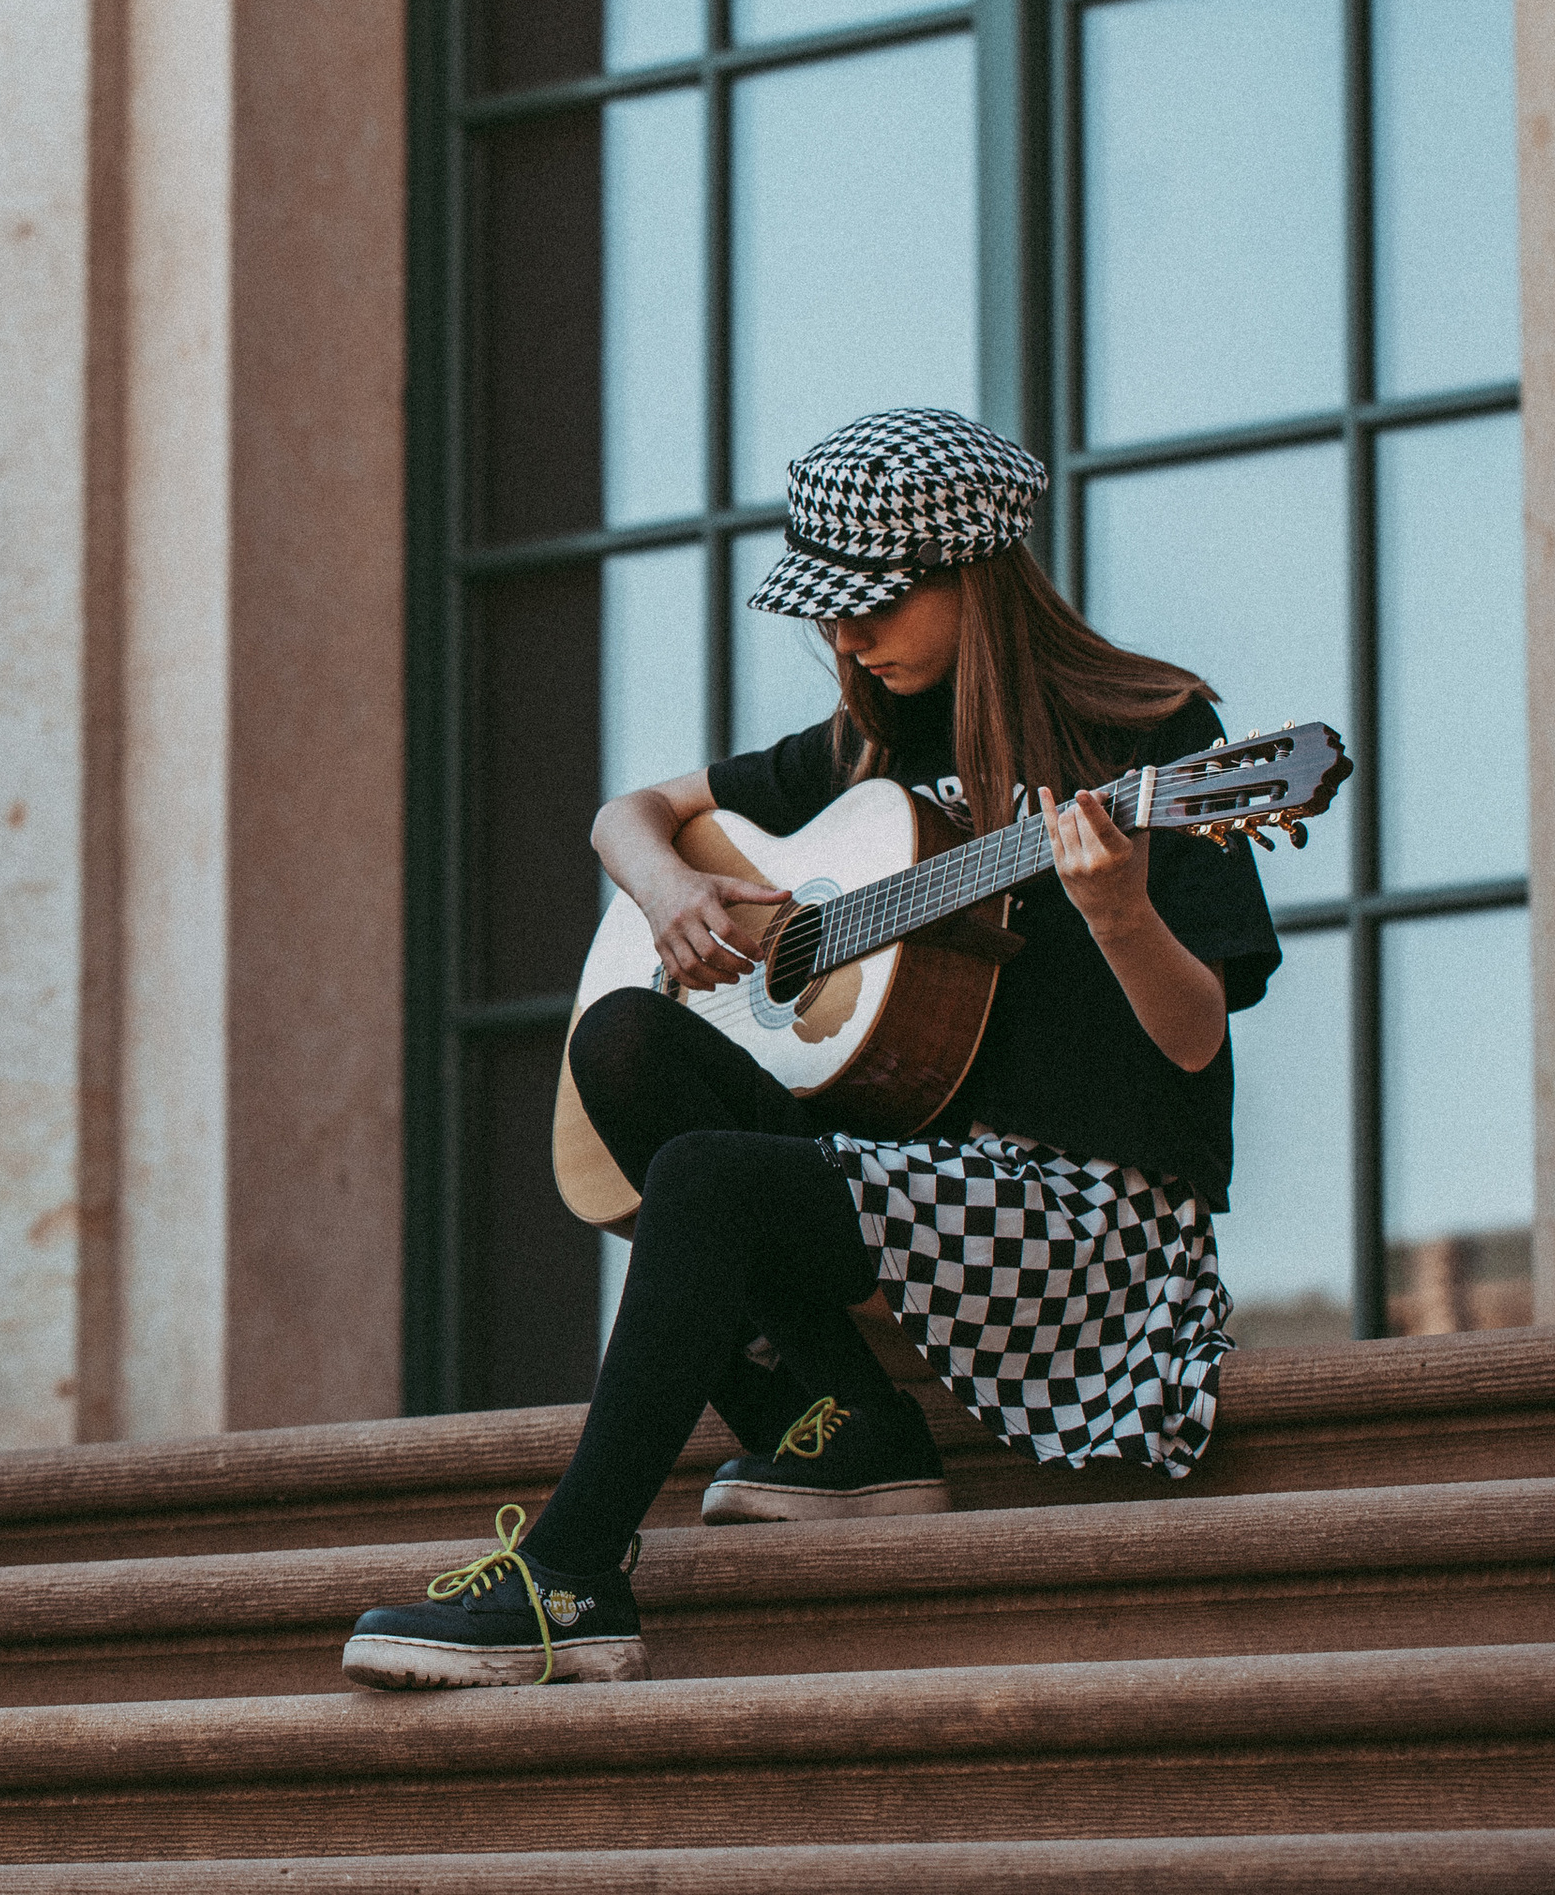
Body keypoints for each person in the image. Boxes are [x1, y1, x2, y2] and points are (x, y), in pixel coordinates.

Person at [343, 406, 1282, 1690]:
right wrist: (671, 891)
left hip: (1090, 1227)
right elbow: (628, 814)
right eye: (826, 609)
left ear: (976, 578)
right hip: (923, 1198)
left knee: (711, 1180)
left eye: (875, 606)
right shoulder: (869, 747)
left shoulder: (1154, 736)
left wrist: (1116, 907)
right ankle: (851, 1427)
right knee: (626, 1038)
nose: (843, 638)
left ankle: (571, 1576)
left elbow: (1189, 1044)